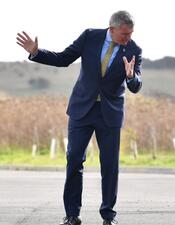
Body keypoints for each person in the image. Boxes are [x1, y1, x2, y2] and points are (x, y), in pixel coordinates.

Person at [16, 10, 142, 225]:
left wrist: (131, 76)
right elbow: (63, 58)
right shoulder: (90, 36)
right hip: (81, 110)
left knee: (109, 165)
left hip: (109, 114)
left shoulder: (133, 49)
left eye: (130, 34)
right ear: (111, 29)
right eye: (124, 34)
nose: (128, 38)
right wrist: (37, 53)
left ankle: (108, 215)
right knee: (74, 160)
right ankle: (72, 215)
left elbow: (136, 85)